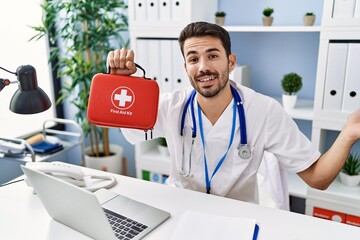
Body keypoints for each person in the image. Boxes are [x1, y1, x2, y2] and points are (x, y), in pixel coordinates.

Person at [107, 21, 360, 205]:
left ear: (230, 62)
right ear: (186, 68)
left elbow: (318, 178)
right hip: (181, 208)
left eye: (213, 55)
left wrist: (348, 133)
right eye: (193, 59)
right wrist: (122, 84)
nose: (203, 67)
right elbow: (131, 131)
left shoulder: (263, 111)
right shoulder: (171, 106)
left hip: (239, 217)